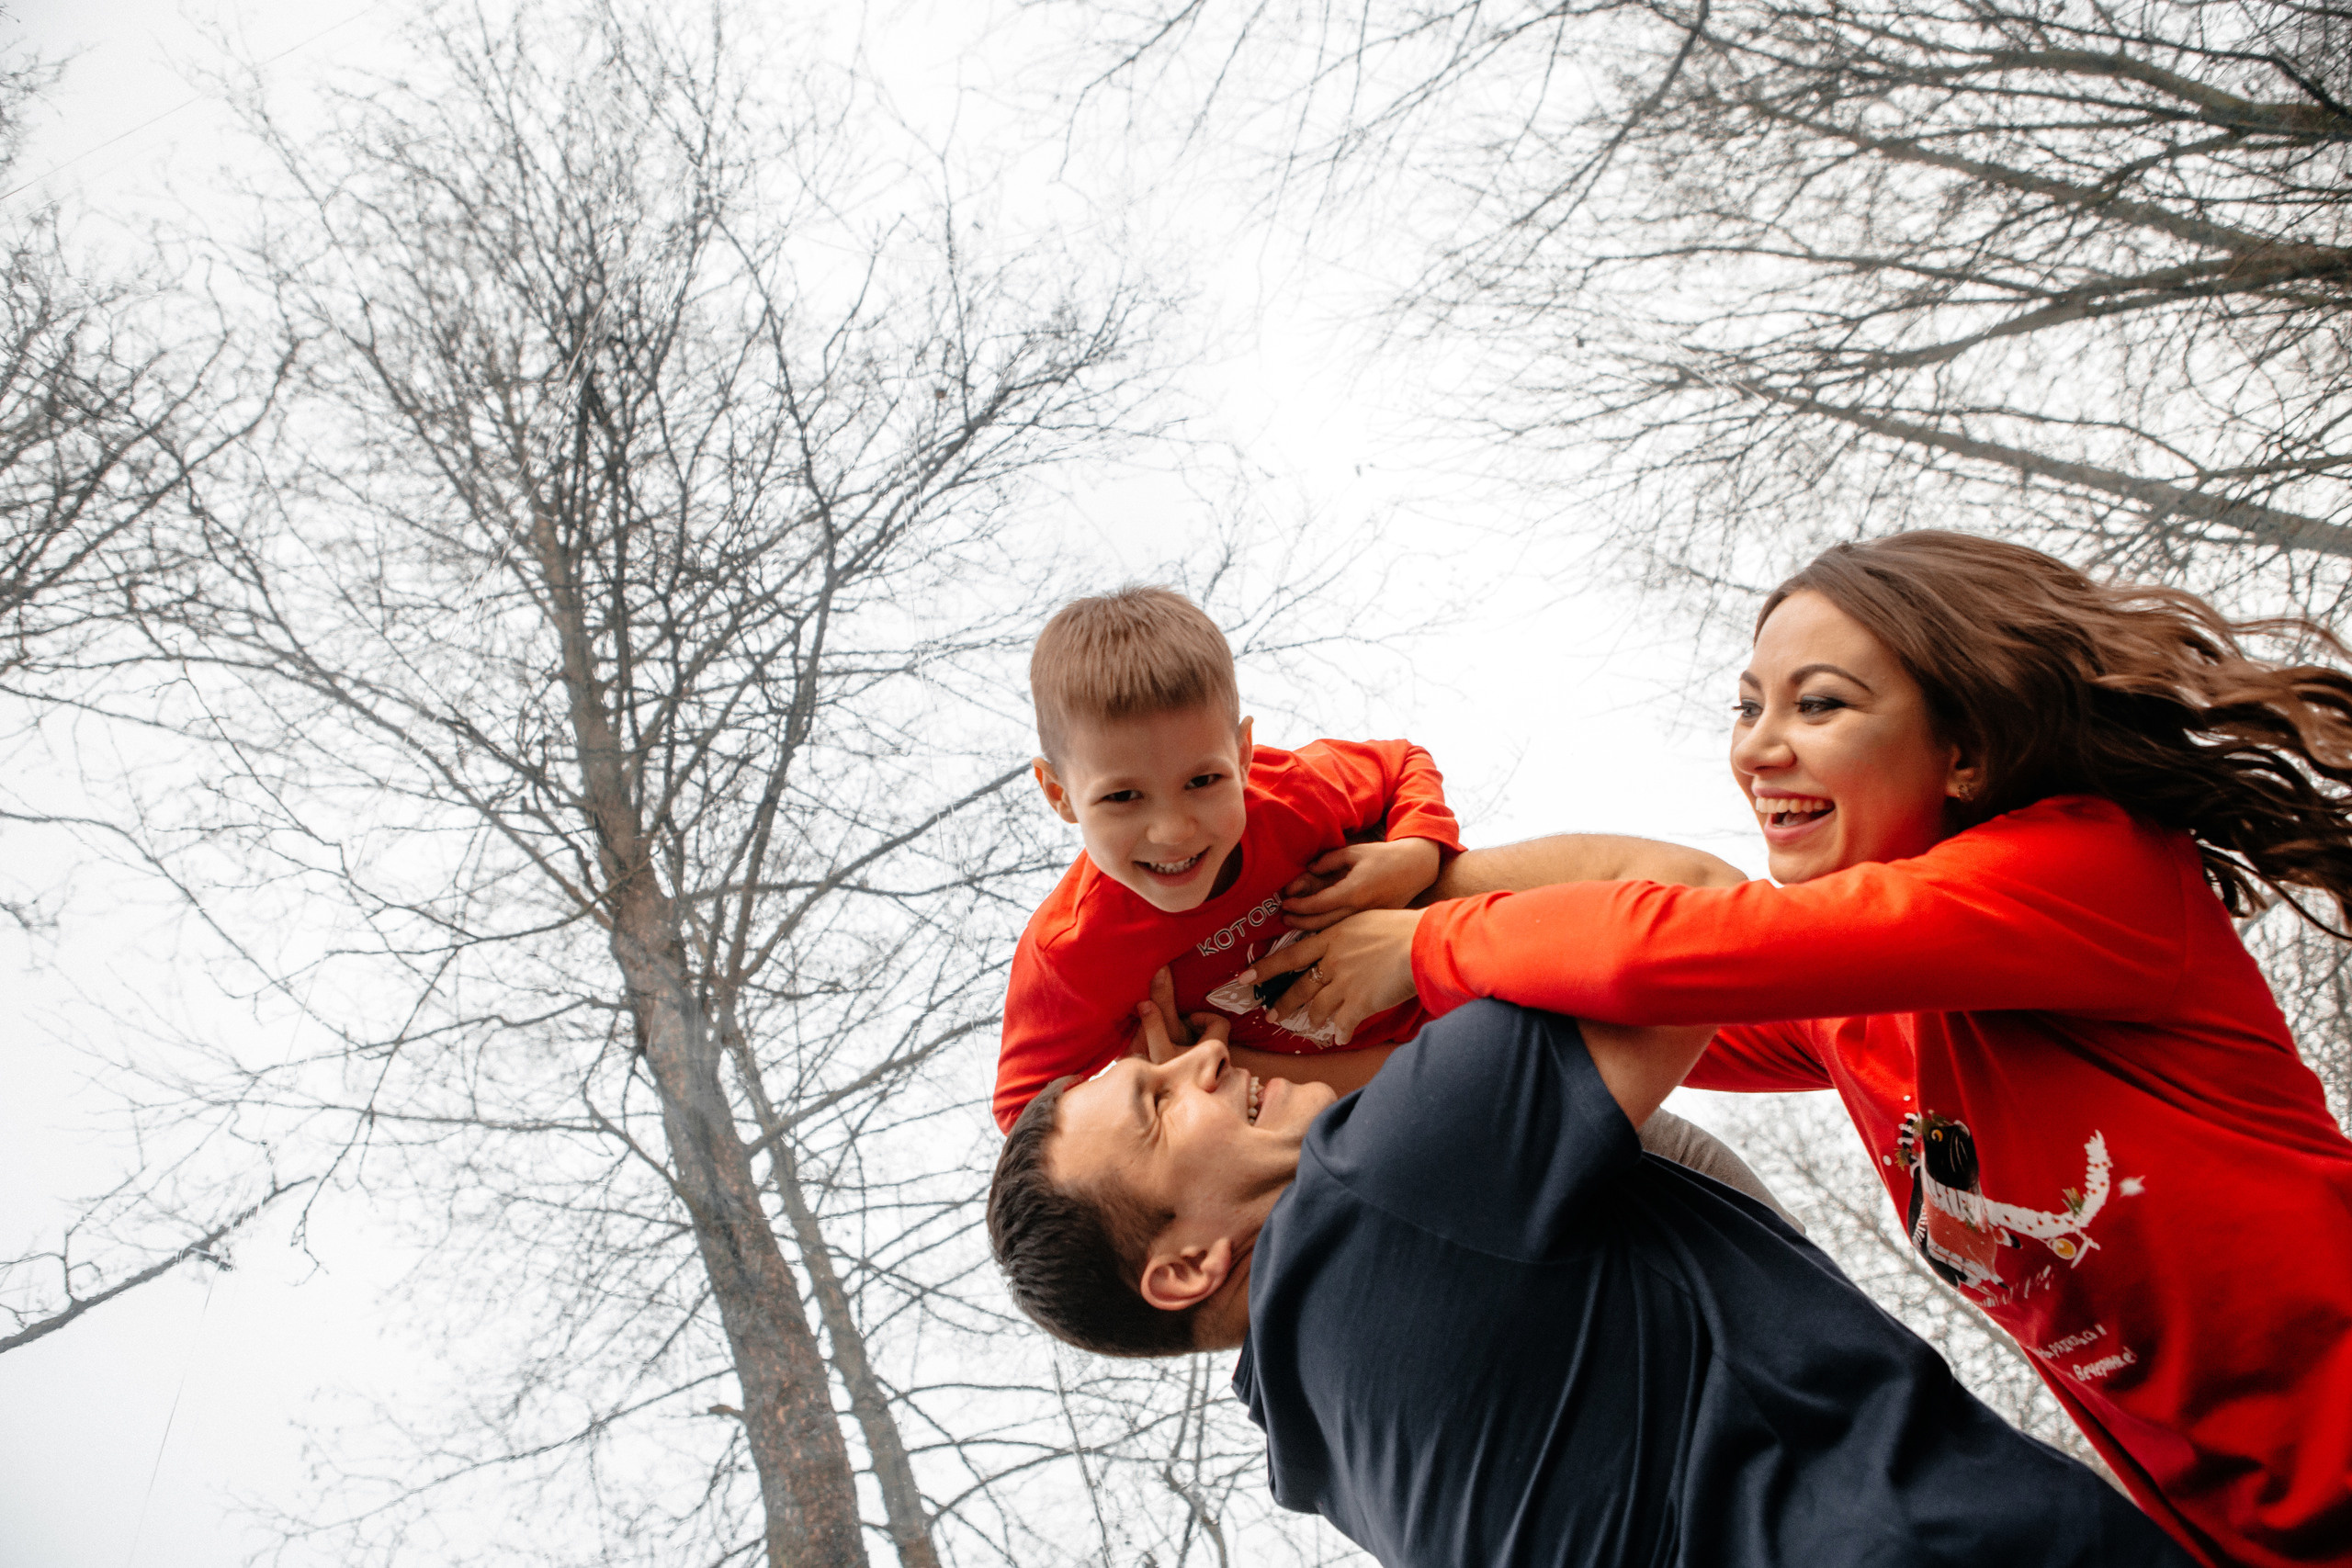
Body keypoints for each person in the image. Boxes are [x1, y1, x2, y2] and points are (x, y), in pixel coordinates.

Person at [1250, 532, 2352, 1567]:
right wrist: (1317, 973)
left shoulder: (2089, 869)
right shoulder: (1864, 1019)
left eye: (1817, 705)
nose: (1756, 748)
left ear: (1963, 752)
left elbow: (1677, 945)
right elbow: (1599, 1014)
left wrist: (1427, 940)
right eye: (1745, 707)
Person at [987, 998, 2188, 1568]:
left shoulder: (1345, 1465)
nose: (1201, 1053)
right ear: (1186, 1262)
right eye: (1157, 1103)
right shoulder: (1376, 1181)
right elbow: (1693, 917)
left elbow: (1703, 1204)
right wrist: (1412, 935)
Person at [994, 584, 1727, 1132]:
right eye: (1123, 798)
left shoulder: (1293, 794)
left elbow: (1402, 762)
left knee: (1685, 1147)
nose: (1173, 829)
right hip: (1356, 1117)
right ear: (1059, 794)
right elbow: (1024, 1116)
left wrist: (1412, 851)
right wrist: (1152, 1077)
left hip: (1485, 1015)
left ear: (1244, 755)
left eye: (1203, 781)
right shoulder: (1071, 953)